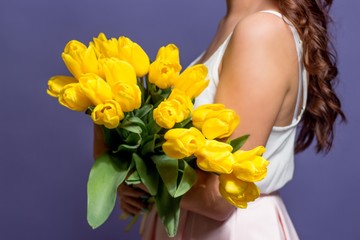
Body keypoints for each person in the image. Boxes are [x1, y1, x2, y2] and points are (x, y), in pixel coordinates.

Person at [94, 0, 346, 239]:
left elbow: (219, 198)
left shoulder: (261, 31)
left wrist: (137, 180)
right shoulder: (235, 23)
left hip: (231, 231)